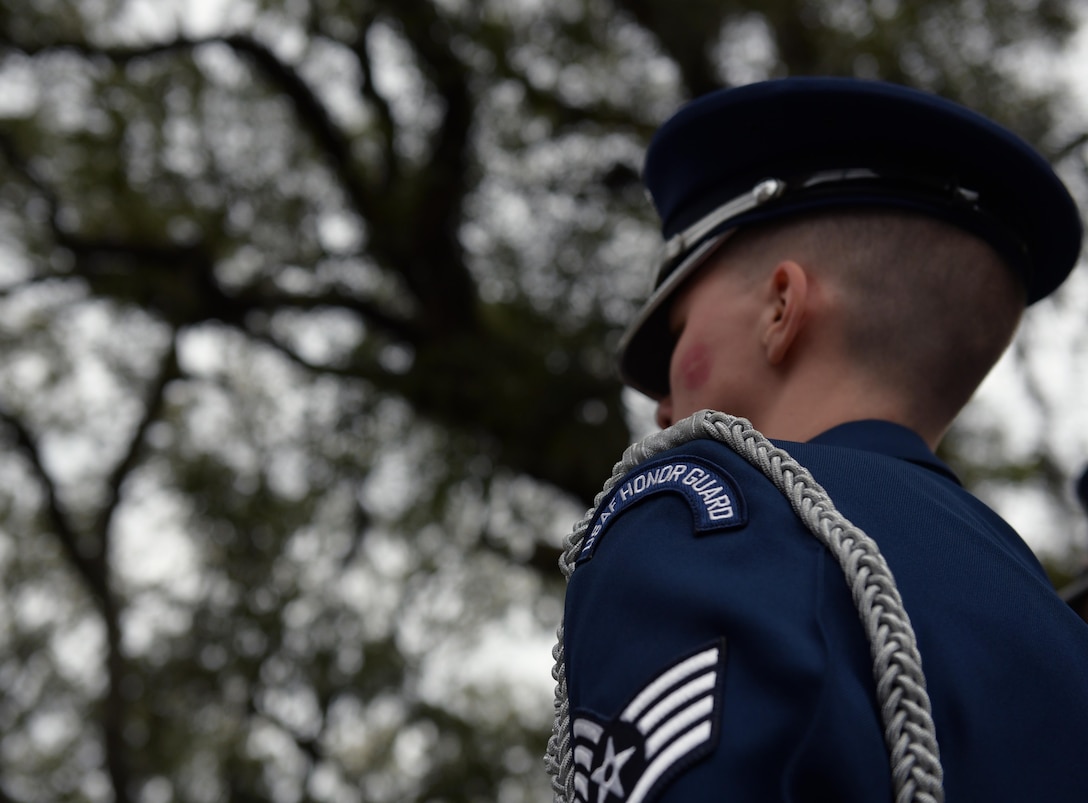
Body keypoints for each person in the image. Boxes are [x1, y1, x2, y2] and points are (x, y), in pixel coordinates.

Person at [546, 77, 1088, 803]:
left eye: (676, 337)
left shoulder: (705, 513)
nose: (661, 408)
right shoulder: (1057, 624)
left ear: (781, 306)